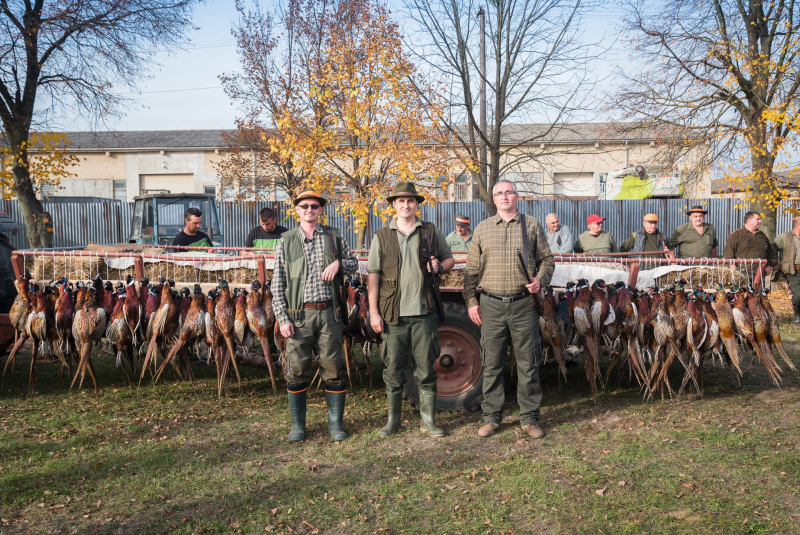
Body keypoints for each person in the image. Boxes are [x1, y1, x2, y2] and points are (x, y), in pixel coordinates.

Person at [463, 179, 554, 439]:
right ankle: (491, 417)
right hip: (490, 304)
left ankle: (529, 418)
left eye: (509, 193)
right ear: (493, 199)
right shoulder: (482, 229)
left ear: (517, 197)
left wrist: (540, 280)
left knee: (528, 363)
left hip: (524, 304)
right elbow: (470, 271)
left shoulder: (532, 225)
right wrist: (471, 301)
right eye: (499, 193)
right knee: (492, 363)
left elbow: (547, 260)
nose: (504, 197)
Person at [367, 182, 454, 438]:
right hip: (393, 315)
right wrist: (374, 313)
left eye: (411, 201)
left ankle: (428, 421)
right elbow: (373, 275)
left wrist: (439, 267)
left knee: (426, 368)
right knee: (393, 369)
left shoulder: (429, 231)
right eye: (401, 201)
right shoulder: (382, 235)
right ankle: (393, 421)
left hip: (424, 312)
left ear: (417, 204)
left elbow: (449, 259)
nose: (406, 205)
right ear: (393, 205)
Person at [271, 190, 359, 442]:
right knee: (298, 369)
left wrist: (339, 263)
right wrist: (283, 318)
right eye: (304, 206)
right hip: (299, 316)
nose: (309, 209)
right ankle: (298, 426)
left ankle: (335, 425)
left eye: (315, 206)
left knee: (333, 367)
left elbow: (355, 263)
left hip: (329, 313)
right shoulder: (286, 240)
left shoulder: (333, 236)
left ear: (321, 210)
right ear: (297, 210)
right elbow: (278, 283)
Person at [772, 217, 800, 324]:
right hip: (793, 271)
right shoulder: (784, 237)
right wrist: (775, 263)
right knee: (798, 296)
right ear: (798, 226)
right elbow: (773, 247)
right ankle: (797, 315)